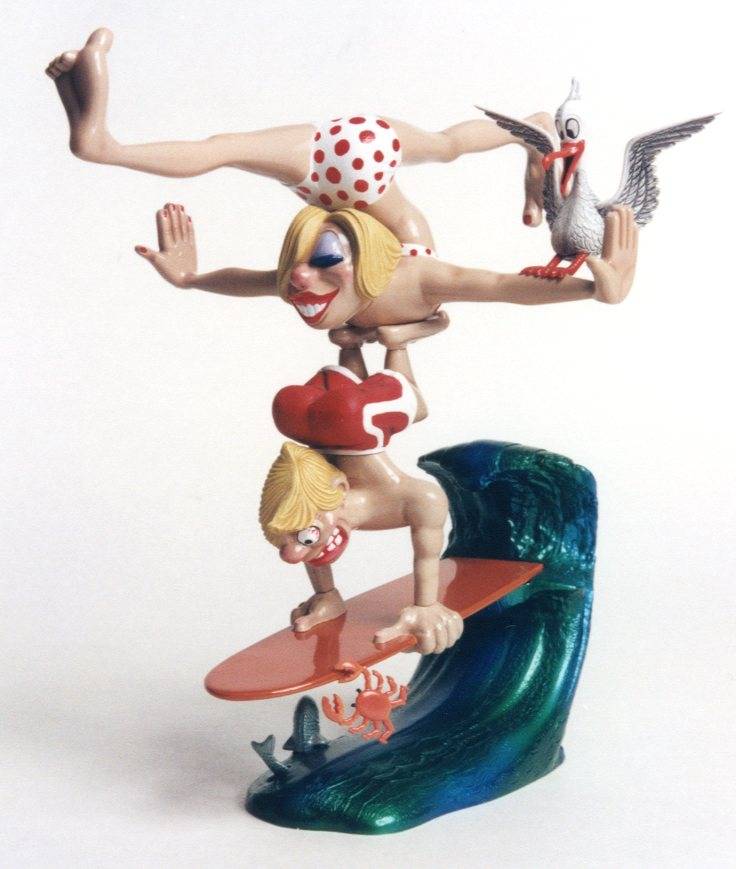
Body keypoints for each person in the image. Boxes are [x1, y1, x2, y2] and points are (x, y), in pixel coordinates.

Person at [46, 27, 555, 257]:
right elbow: (426, 274)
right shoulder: (407, 233)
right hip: (347, 171)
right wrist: (404, 325)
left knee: (221, 147)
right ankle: (100, 142)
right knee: (446, 147)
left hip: (338, 139)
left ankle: (91, 124)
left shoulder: (401, 230)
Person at [260, 314, 464, 655]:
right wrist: (326, 594)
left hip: (360, 419)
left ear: (341, 491)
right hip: (322, 419)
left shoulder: (413, 499)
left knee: (405, 409)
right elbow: (311, 544)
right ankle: (352, 345)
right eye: (285, 542)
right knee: (335, 407)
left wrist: (426, 606)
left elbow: (427, 554)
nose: (292, 555)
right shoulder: (314, 506)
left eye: (303, 538)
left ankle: (397, 341)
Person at [133, 200, 638, 334]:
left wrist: (590, 289)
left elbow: (503, 286)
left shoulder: (419, 281)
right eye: (295, 264)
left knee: (435, 150)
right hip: (370, 266)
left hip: (405, 240)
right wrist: (190, 279)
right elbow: (250, 280)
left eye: (325, 261)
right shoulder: (298, 282)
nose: (301, 278)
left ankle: (518, 133)